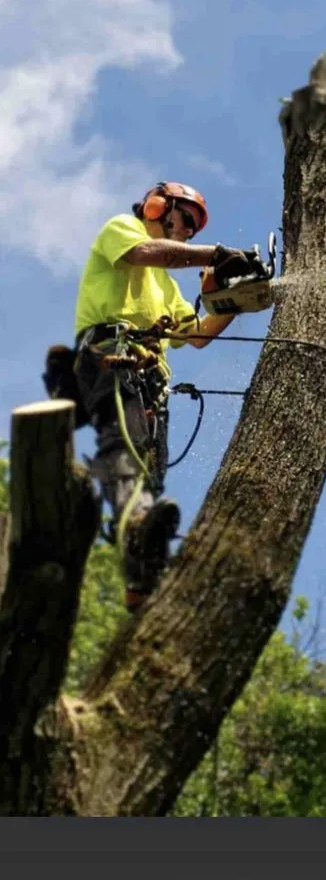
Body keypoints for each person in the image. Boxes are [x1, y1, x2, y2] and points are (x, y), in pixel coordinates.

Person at [74, 180, 262, 612]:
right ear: (158, 207)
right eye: (184, 219)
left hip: (150, 376)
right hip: (110, 354)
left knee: (152, 473)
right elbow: (148, 254)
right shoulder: (123, 230)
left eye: (194, 229)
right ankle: (138, 530)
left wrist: (235, 301)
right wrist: (214, 253)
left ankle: (142, 581)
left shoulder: (167, 287)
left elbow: (194, 336)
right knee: (127, 450)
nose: (186, 232)